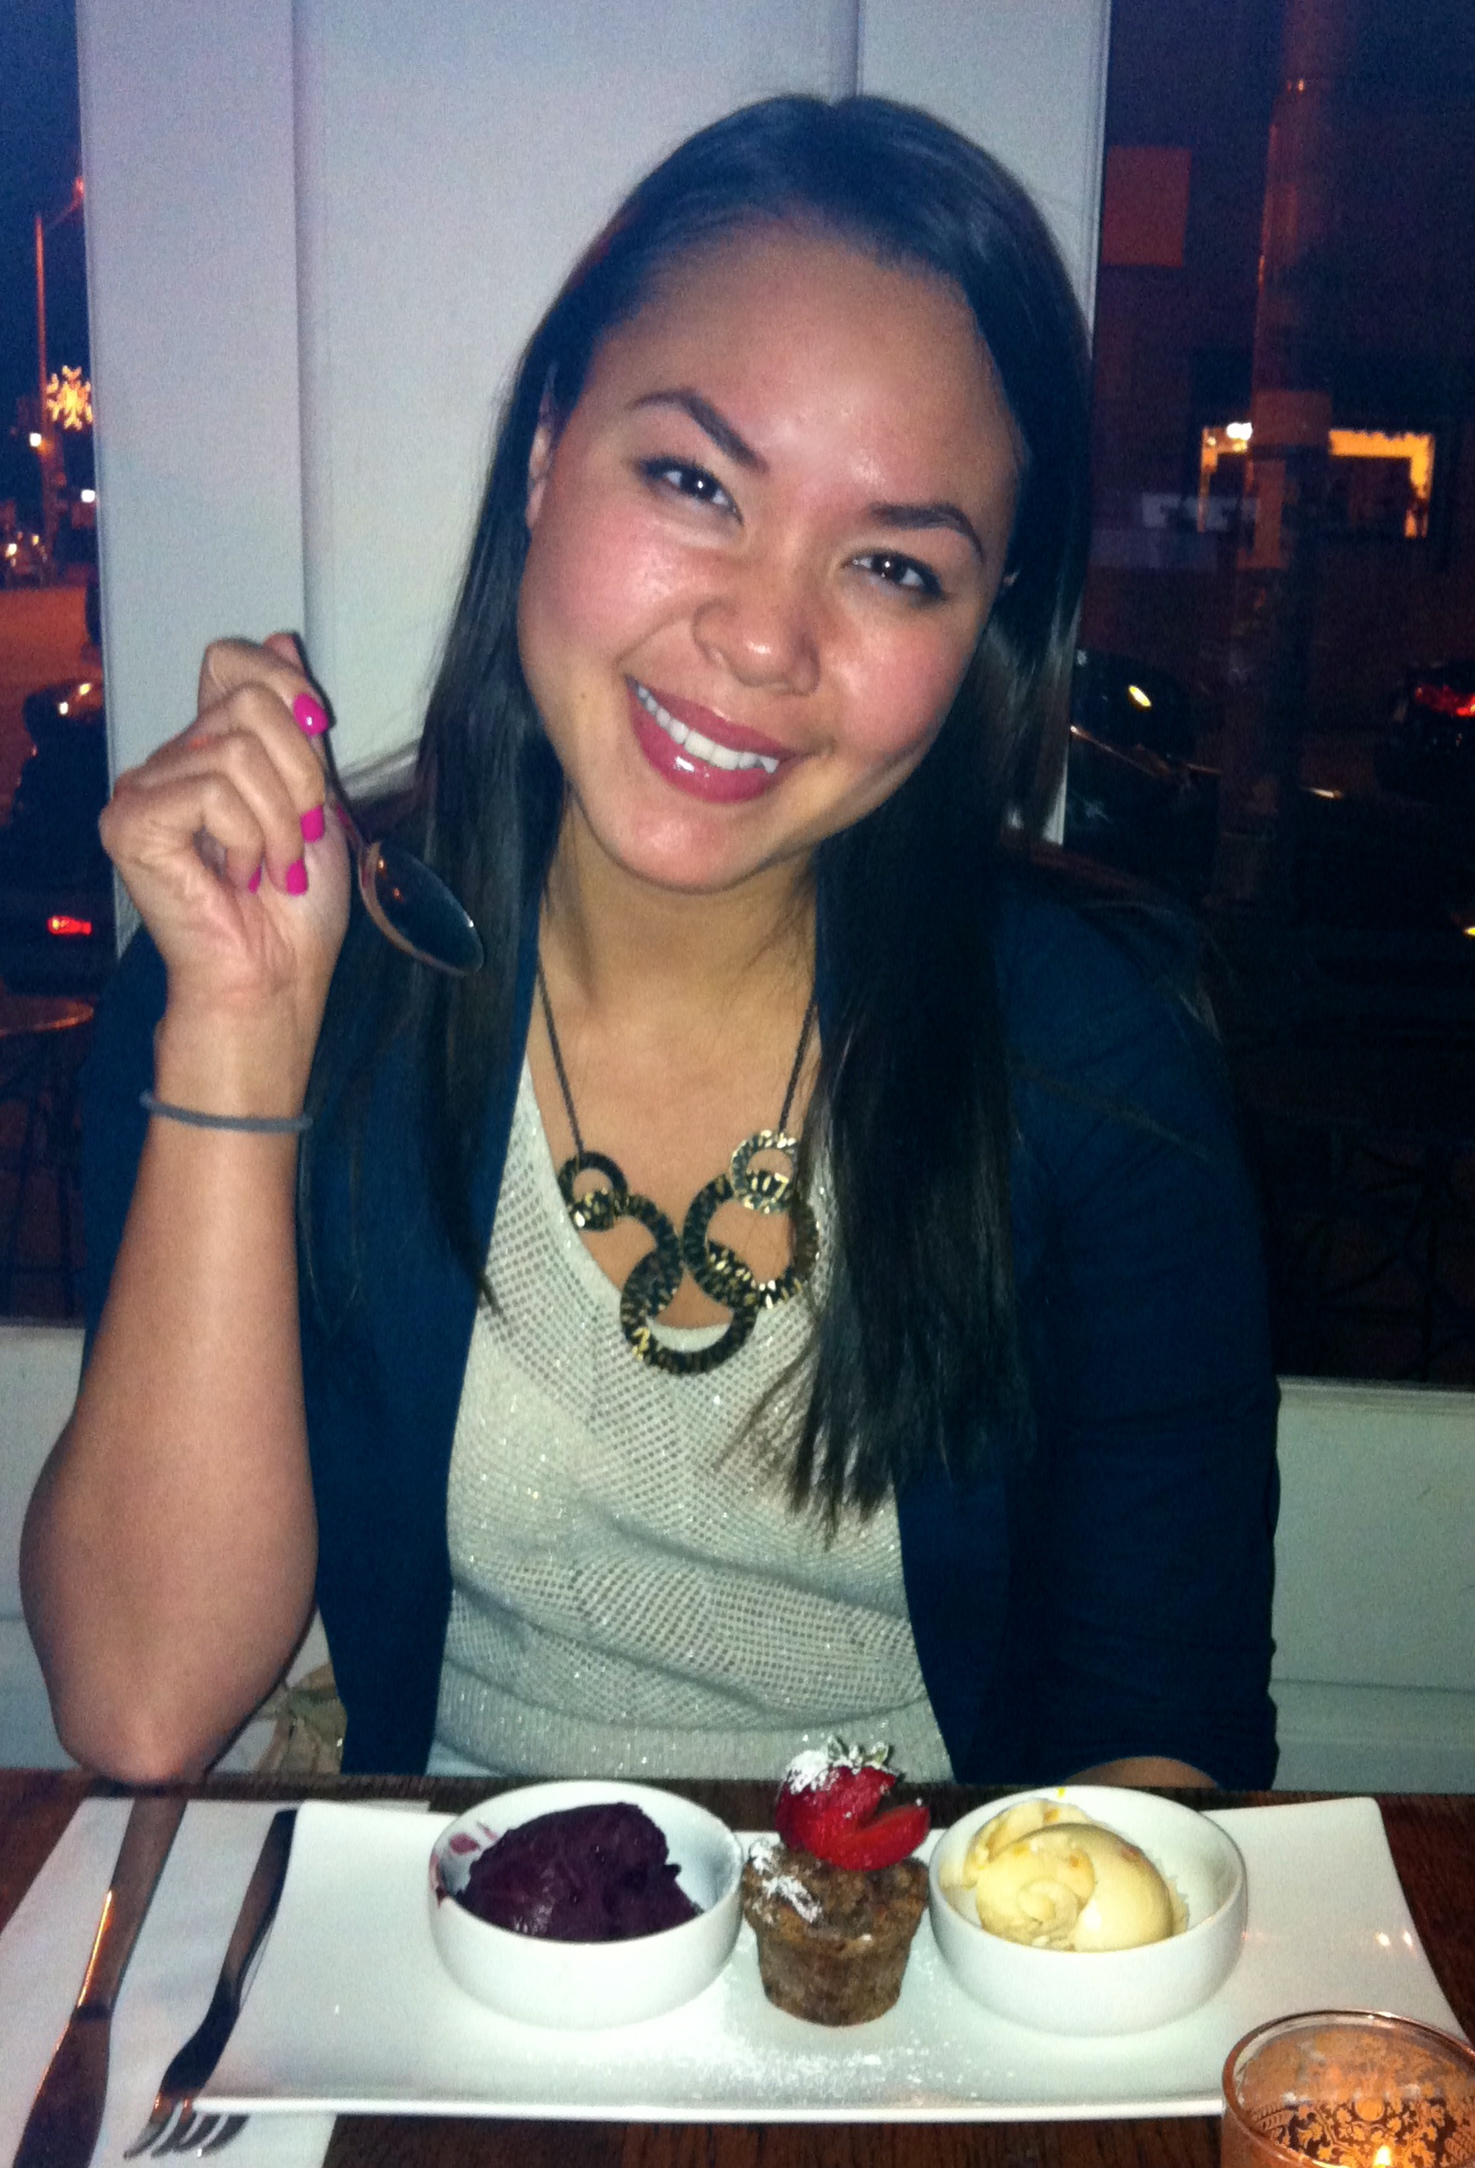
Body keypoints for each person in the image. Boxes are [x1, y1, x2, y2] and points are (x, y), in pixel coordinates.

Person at [21, 96, 1278, 1789]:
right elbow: (143, 1704)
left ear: (987, 628)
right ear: (550, 449)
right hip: (447, 1931)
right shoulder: (281, 964)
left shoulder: (1093, 1044)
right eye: (696, 482)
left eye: (895, 566)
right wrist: (243, 1030)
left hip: (930, 1939)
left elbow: (1162, 1740)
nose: (763, 639)